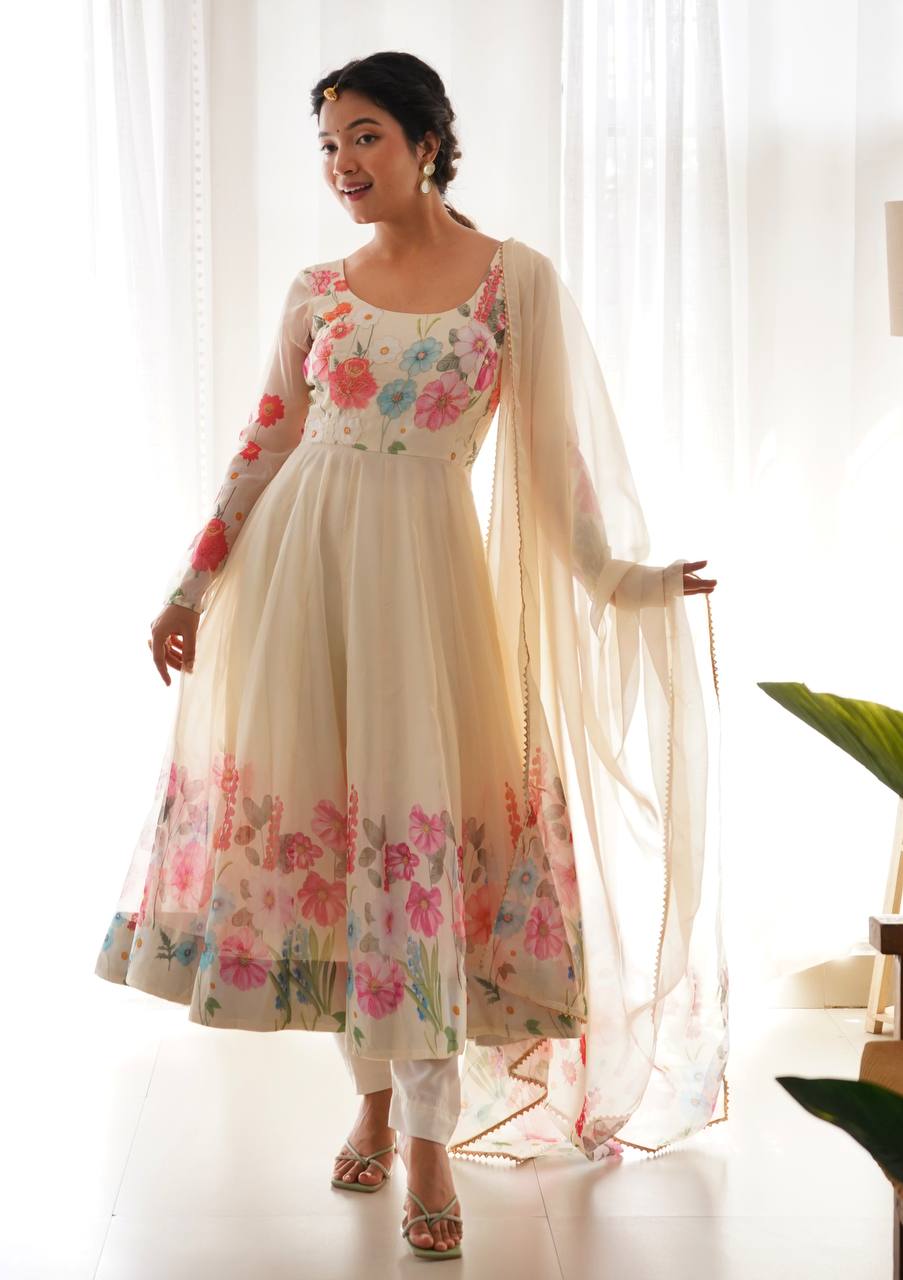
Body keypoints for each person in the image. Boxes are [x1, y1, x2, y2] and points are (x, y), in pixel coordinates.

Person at [97, 51, 725, 1262]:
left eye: (366, 136)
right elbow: (263, 447)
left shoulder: (511, 282)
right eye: (328, 145)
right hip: (299, 591)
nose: (343, 164)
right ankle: (375, 1104)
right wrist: (188, 586)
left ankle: (428, 1145)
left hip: (426, 606)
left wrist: (620, 577)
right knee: (344, 860)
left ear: (429, 140)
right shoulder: (317, 292)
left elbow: (551, 462)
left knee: (412, 860)